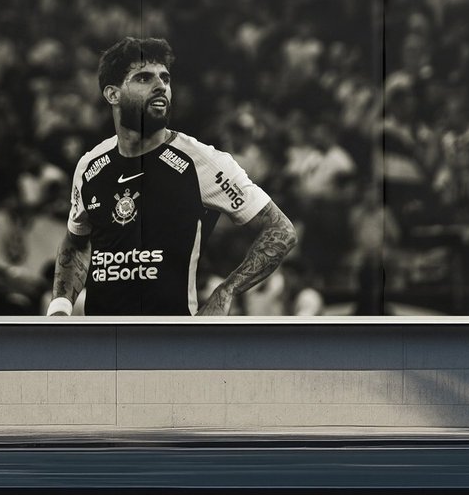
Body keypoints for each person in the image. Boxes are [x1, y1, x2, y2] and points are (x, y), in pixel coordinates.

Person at [47, 36, 297, 317]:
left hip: (171, 345)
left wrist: (226, 291)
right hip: (105, 346)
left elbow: (281, 230)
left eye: (165, 78)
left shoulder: (201, 160)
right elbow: (75, 241)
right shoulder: (90, 165)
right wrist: (60, 307)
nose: (160, 86)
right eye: (144, 78)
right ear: (112, 94)